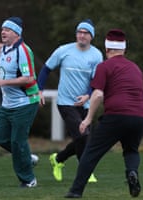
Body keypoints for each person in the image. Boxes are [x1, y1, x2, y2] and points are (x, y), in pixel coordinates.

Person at [64, 29, 143, 198]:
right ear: (124, 49)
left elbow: (98, 94)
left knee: (91, 152)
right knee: (131, 150)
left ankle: (75, 191)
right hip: (139, 116)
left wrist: (87, 119)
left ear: (107, 49)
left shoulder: (104, 66)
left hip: (116, 115)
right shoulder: (136, 68)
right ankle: (132, 172)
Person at [37, 19, 103, 182]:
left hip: (86, 103)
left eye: (85, 33)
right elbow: (46, 69)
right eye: (79, 32)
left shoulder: (97, 55)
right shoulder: (63, 50)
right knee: (82, 136)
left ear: (91, 36)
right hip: (66, 102)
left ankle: (58, 159)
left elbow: (96, 80)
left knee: (85, 138)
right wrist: (39, 90)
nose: (81, 35)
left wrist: (88, 95)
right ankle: (86, 171)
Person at [0, 16, 40, 187]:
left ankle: (29, 179)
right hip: (7, 104)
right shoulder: (4, 50)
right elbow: (6, 72)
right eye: (2, 29)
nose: (3, 32)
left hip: (25, 103)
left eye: (7, 30)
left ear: (17, 33)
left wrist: (2, 82)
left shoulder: (23, 50)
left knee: (17, 141)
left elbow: (28, 77)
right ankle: (26, 156)